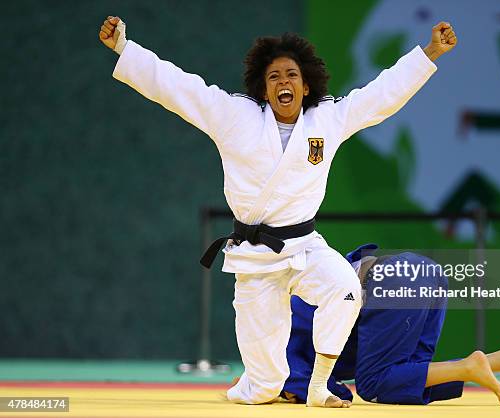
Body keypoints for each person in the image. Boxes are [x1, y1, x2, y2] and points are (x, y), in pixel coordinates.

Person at [98, 16, 457, 407]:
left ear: (306, 86)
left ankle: (319, 387)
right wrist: (124, 48)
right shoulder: (235, 116)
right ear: (263, 88)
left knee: (346, 289)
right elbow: (177, 86)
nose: (283, 82)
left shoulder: (328, 119)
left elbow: (381, 94)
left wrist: (429, 53)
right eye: (273, 77)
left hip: (305, 248)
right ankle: (249, 386)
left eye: (291, 75)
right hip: (254, 259)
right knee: (265, 387)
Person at [283, 244, 500, 406]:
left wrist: (283, 391)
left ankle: (468, 366)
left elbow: (332, 393)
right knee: (409, 376)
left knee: (373, 384)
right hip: (423, 271)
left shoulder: (280, 352)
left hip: (387, 283)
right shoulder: (292, 311)